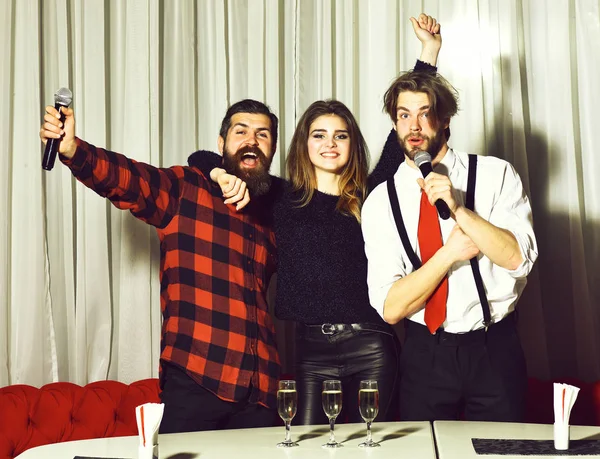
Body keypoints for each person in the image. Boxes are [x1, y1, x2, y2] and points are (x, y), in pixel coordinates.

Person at [204, 14, 442, 424]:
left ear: (352, 145)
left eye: (340, 135)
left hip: (373, 344)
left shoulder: (370, 194)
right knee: (314, 446)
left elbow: (400, 134)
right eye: (319, 134)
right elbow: (201, 158)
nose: (329, 144)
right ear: (303, 143)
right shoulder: (277, 196)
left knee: (374, 444)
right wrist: (220, 172)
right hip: (310, 348)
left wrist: (429, 52)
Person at [39, 99, 284, 432]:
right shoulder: (187, 189)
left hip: (262, 392)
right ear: (221, 143)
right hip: (198, 378)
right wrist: (73, 150)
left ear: (271, 149)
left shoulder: (276, 215)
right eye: (240, 131)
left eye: (262, 134)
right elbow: (129, 180)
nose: (251, 140)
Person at [360, 69, 539, 422]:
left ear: (444, 119)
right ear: (394, 124)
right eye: (403, 115)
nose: (414, 126)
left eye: (424, 113)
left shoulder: (494, 174)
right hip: (425, 356)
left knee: (500, 450)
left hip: (494, 349)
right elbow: (391, 308)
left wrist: (458, 209)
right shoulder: (381, 201)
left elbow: (518, 259)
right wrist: (448, 255)